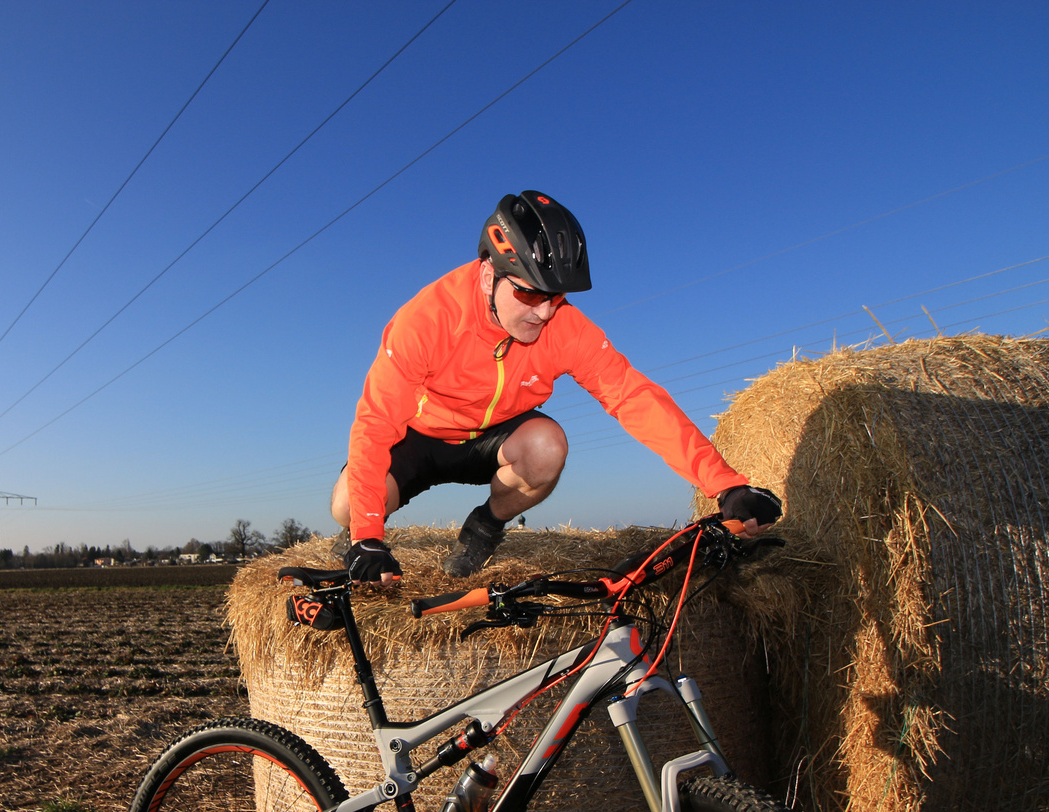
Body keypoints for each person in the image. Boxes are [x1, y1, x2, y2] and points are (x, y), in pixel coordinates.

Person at [331, 190, 780, 583]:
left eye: (556, 298)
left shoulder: (565, 328)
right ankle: (356, 536)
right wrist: (367, 536)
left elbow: (632, 396)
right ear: (489, 275)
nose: (544, 313)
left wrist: (724, 486)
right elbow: (375, 424)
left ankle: (485, 527)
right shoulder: (427, 320)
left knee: (548, 445)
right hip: (420, 436)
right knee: (348, 506)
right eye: (529, 294)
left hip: (494, 438)